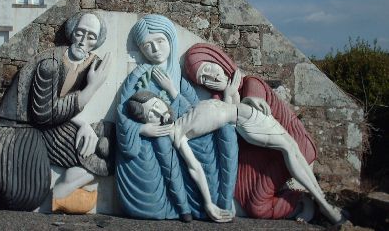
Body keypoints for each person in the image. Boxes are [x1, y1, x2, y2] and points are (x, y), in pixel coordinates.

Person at [126, 90, 345, 225]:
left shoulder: (183, 111)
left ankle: (322, 201)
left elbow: (225, 99)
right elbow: (195, 169)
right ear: (149, 122)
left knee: (293, 149)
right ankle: (324, 205)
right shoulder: (177, 134)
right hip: (245, 122)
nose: (158, 113)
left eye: (156, 106)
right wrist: (209, 203)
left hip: (247, 112)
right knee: (290, 150)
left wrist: (249, 100)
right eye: (151, 115)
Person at [184, 43, 334, 221]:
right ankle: (298, 201)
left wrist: (247, 99)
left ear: (219, 61)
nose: (211, 77)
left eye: (209, 68)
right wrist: (228, 96)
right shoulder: (218, 101)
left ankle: (312, 202)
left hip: (288, 148)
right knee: (257, 208)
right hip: (258, 154)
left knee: (257, 206)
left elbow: (255, 103)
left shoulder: (250, 82)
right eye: (203, 78)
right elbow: (230, 137)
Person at [0, 12, 114, 212]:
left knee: (105, 146)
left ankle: (64, 189)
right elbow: (43, 113)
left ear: (97, 41)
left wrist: (84, 124)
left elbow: (59, 105)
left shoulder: (89, 64)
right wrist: (92, 88)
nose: (83, 42)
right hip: (16, 126)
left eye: (91, 37)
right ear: (72, 33)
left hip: (50, 125)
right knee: (26, 197)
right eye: (80, 33)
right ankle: (60, 196)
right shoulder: (51, 64)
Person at [116, 15, 238, 222]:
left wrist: (172, 91)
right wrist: (143, 130)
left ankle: (221, 202)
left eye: (160, 41)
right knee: (163, 142)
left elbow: (194, 111)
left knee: (225, 133)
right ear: (141, 49)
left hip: (183, 133)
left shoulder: (179, 79)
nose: (155, 49)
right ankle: (184, 208)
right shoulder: (139, 75)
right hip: (156, 140)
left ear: (170, 40)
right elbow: (122, 112)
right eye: (148, 45)